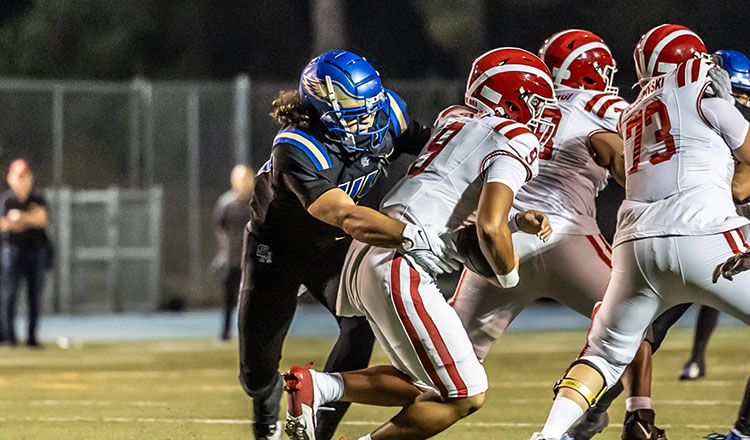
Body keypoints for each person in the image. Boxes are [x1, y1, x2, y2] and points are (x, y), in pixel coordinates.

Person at [283, 47, 556, 440]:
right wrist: (512, 278)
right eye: (536, 102)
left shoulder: (454, 124)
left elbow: (456, 217)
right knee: (466, 394)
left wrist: (514, 223)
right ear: (510, 100)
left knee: (424, 383)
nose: (543, 113)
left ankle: (319, 387)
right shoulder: (513, 136)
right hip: (402, 259)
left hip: (377, 251)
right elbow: (488, 228)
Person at [530, 24, 750, 440]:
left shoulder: (630, 113)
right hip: (705, 237)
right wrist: (728, 110)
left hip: (637, 246)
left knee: (604, 354)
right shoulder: (707, 97)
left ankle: (549, 434)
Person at [447, 29, 664, 440]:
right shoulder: (602, 104)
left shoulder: (522, 101)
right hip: (566, 236)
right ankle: (632, 416)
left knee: (447, 362)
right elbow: (631, 153)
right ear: (591, 73)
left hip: (501, 240)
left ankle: (335, 393)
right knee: (633, 320)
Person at [239, 50, 446, 440]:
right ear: (320, 111)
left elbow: (441, 150)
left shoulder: (389, 114)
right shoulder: (297, 147)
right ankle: (264, 403)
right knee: (257, 369)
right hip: (277, 250)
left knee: (361, 325)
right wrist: (412, 235)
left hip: (331, 246)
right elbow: (348, 216)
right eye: (355, 113)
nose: (369, 120)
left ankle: (319, 431)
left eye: (372, 107)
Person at [678, 49, 750, 382]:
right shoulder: (698, 115)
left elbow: (739, 187)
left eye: (743, 95)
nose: (740, 101)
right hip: (709, 220)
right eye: (735, 94)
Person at [0, 159, 50, 348]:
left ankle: (32, 338)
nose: (22, 180)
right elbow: (4, 224)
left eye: (25, 176)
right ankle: (9, 337)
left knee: (34, 297)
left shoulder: (38, 198)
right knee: (9, 296)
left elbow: (43, 220)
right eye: (18, 176)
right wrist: (30, 219)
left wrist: (20, 218)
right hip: (12, 253)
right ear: (11, 178)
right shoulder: (6, 200)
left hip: (35, 252)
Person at [214, 164, 254, 341]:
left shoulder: (258, 202)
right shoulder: (226, 203)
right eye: (241, 178)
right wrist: (225, 250)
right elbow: (220, 228)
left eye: (247, 177)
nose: (244, 182)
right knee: (229, 298)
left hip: (254, 259)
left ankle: (254, 333)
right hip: (233, 258)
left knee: (254, 298)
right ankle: (226, 332)